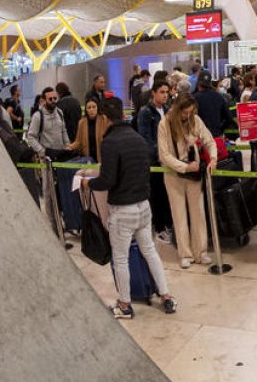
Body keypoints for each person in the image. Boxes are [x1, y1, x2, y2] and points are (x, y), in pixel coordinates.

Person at [81, 97, 177, 319]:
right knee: (150, 252)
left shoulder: (110, 143)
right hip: (144, 206)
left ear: (105, 118)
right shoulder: (138, 138)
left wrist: (88, 183)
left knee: (121, 258)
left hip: (122, 210)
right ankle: (166, 296)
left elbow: (107, 180)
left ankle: (124, 304)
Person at [157, 92, 218, 269]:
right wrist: (184, 167)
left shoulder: (196, 121)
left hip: (194, 175)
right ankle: (185, 254)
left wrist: (213, 158)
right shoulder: (165, 124)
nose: (188, 115)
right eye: (185, 112)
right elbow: (163, 154)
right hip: (173, 175)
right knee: (179, 214)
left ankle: (201, 252)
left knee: (198, 213)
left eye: (191, 112)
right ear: (177, 110)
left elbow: (210, 141)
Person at [137, 82, 172, 242]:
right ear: (154, 93)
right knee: (157, 194)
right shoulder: (145, 112)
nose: (165, 95)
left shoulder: (167, 110)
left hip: (168, 160)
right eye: (162, 92)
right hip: (154, 161)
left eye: (167, 92)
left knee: (166, 194)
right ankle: (159, 228)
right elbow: (145, 138)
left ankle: (167, 224)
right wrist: (160, 153)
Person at [24, 87, 69, 159]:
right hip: (46, 158)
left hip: (61, 154)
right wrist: (42, 151)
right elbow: (31, 136)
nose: (53, 101)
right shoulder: (37, 116)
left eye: (55, 98)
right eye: (50, 99)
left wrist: (67, 145)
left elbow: (63, 131)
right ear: (44, 101)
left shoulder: (59, 112)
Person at [193, 73, 234, 141]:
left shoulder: (194, 98)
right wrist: (221, 129)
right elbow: (229, 117)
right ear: (210, 84)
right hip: (216, 135)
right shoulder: (219, 97)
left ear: (198, 84)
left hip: (199, 137)